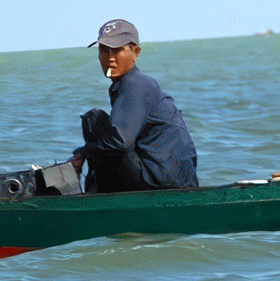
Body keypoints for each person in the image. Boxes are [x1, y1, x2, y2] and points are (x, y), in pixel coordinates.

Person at [69, 19, 199, 193]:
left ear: (135, 52)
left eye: (117, 50)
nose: (110, 58)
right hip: (176, 178)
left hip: (162, 181)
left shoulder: (135, 85)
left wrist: (85, 152)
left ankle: (94, 200)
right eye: (104, 50)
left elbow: (121, 142)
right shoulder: (132, 85)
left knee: (94, 121)